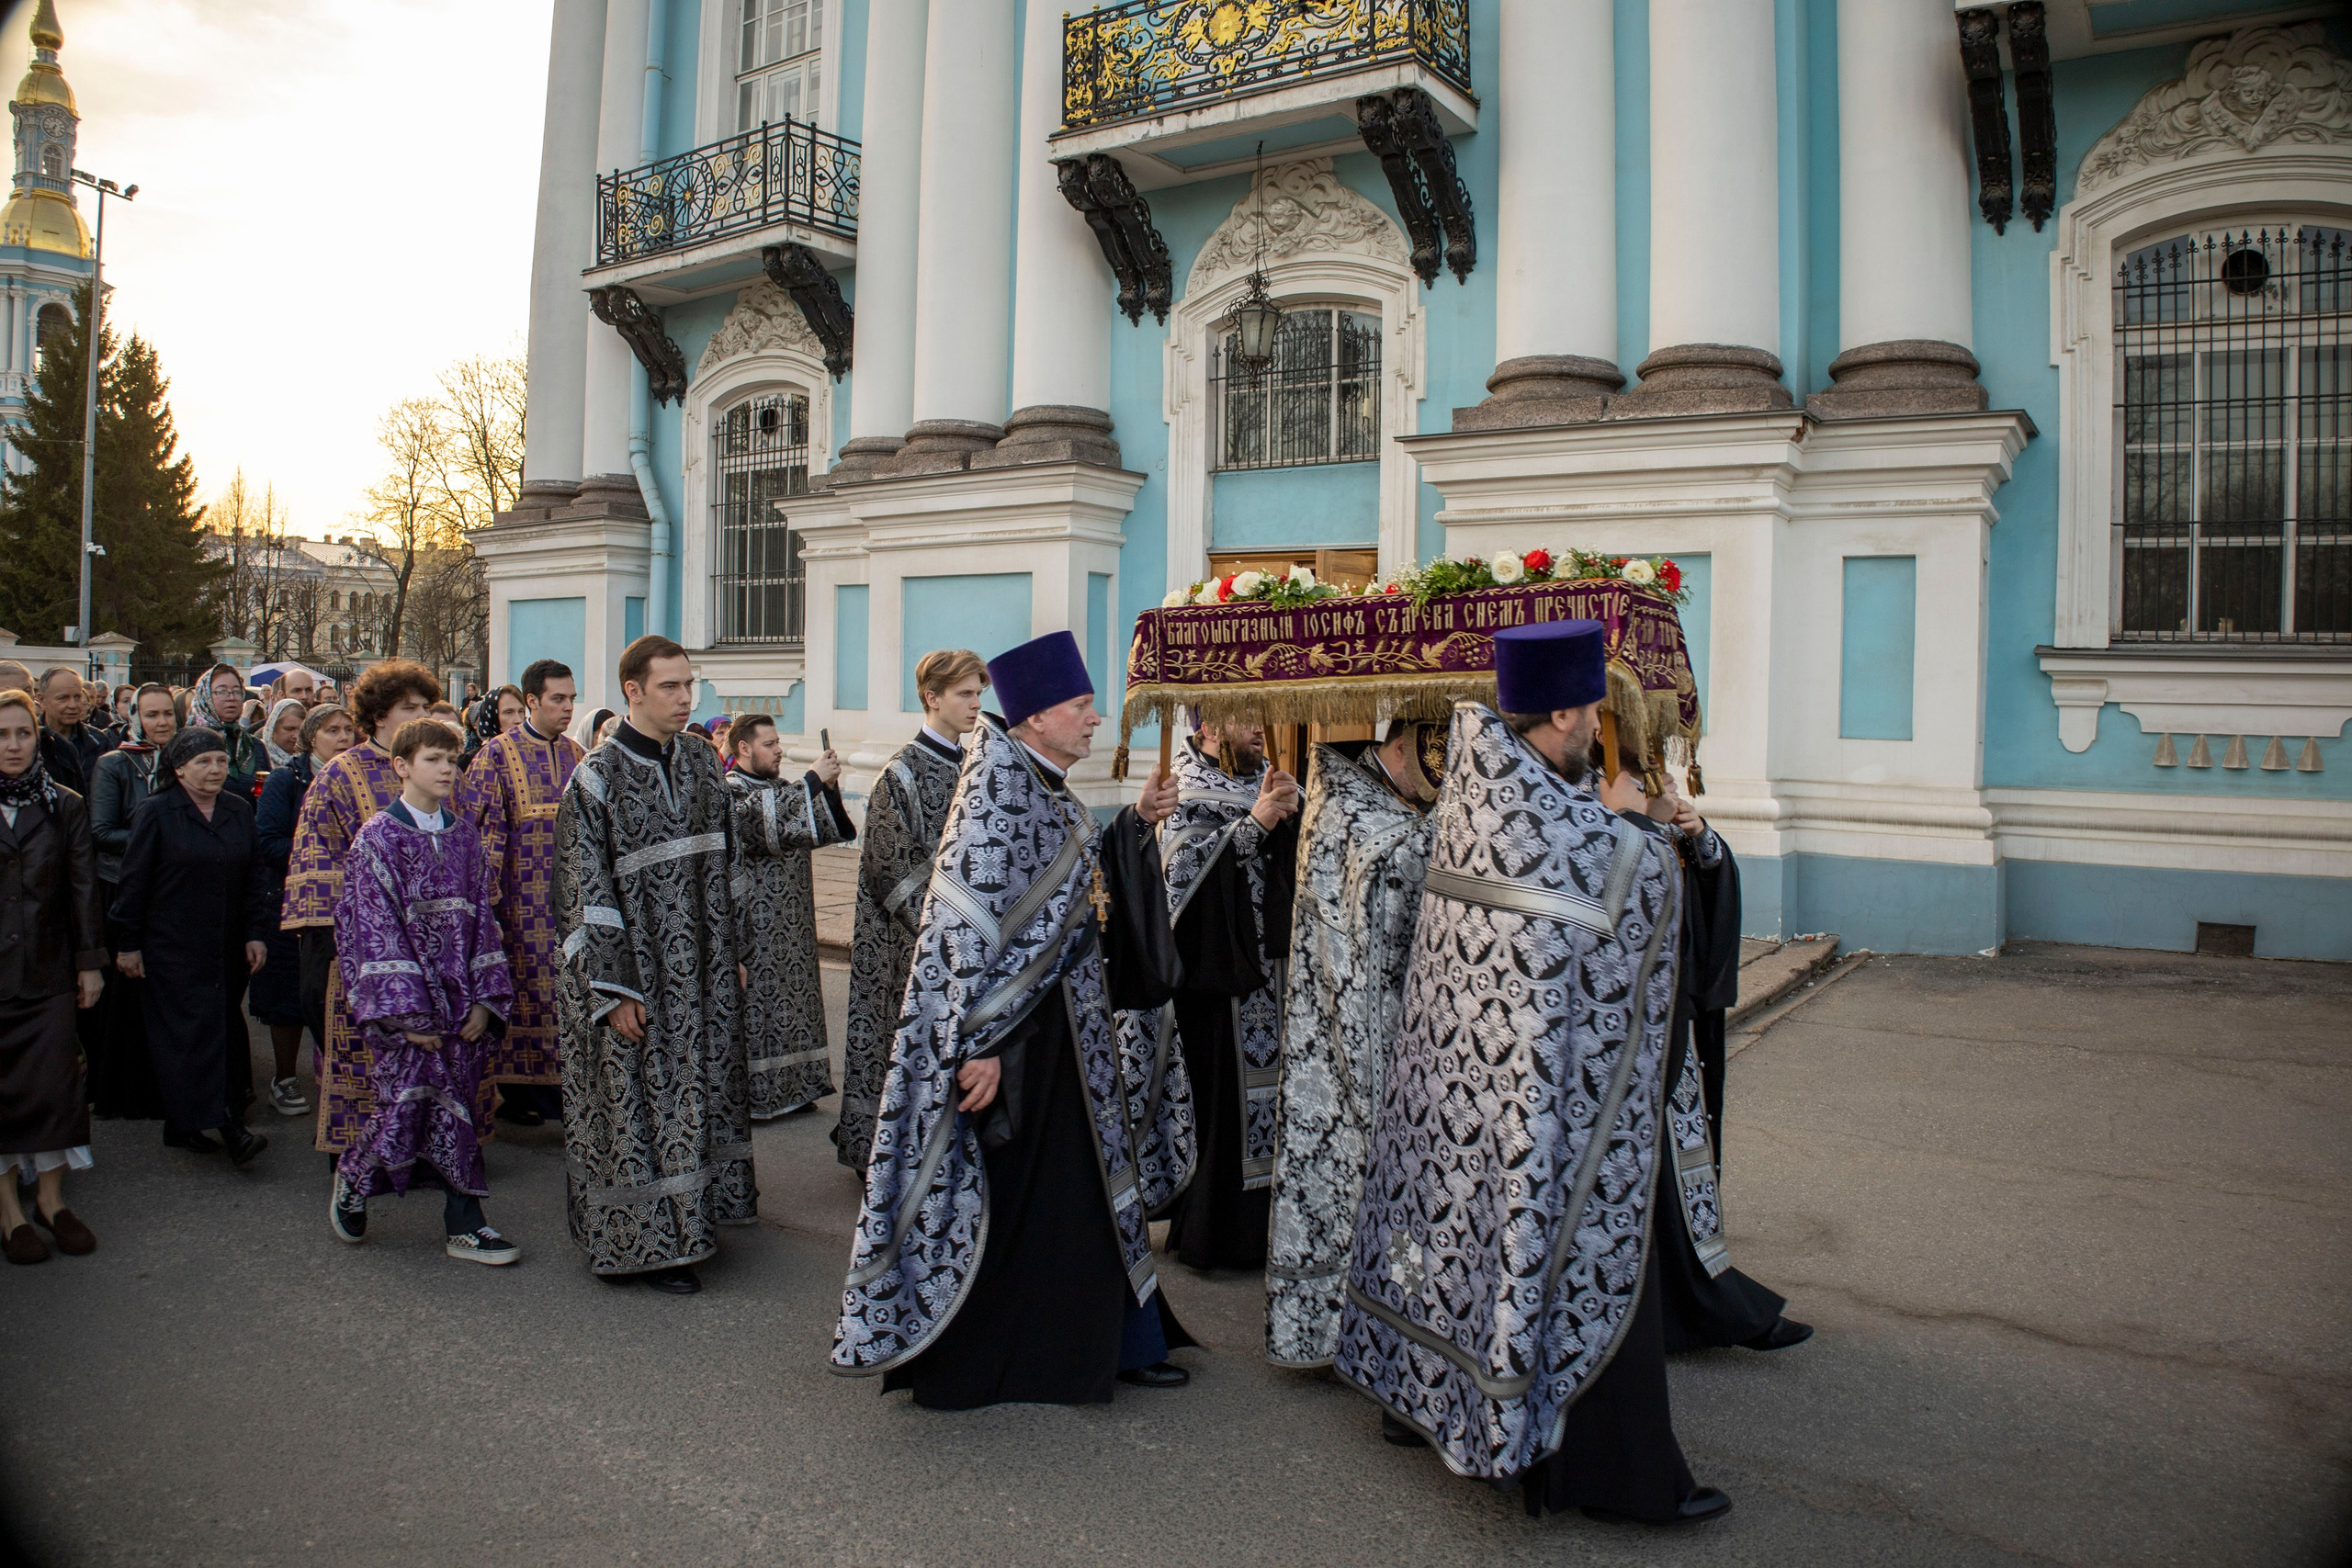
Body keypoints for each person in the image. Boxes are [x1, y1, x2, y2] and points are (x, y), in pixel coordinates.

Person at [1335, 621, 1729, 1528]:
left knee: (1462, 1247)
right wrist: (1643, 826)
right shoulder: (1558, 824)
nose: (1596, 724)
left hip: (1459, 1092)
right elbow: (1629, 876)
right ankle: (1614, 1478)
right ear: (1560, 711)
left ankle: (1430, 1402)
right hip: (1541, 1109)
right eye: (1590, 710)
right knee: (1574, 1253)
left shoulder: (1480, 796)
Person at [834, 630, 1198, 1406]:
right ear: (1035, 718)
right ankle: (1033, 1353)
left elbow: (1074, 887)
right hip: (1023, 1046)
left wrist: (1133, 825)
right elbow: (965, 940)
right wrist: (984, 1042)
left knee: (1084, 1193)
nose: (1095, 720)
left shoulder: (1046, 786)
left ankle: (1113, 1340)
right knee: (1040, 1203)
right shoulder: (995, 798)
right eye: (1081, 707)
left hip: (1073, 1037)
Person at [1593, 737, 1811, 1358]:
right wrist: (1641, 822)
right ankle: (1683, 1310)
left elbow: (1697, 899)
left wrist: (1698, 839)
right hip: (1619, 1040)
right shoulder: (1582, 801)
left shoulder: (1640, 803)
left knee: (1680, 1182)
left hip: (1668, 1025)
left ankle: (1705, 1303)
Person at [553, 637, 752, 1294]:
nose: (685, 698)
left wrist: (737, 952)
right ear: (632, 690)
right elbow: (584, 891)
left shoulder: (699, 757)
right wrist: (613, 989)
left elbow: (730, 860)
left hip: (702, 963)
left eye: (689, 684)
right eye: (670, 686)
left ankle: (695, 1221)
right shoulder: (596, 778)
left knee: (695, 1089)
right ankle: (645, 1244)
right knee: (638, 1101)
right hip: (637, 972)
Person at [1264, 720, 1446, 1368]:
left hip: (1412, 1021)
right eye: (1431, 771)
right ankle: (1343, 1326)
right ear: (1401, 748)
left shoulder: (1400, 799)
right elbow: (1376, 874)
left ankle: (1409, 1323)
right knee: (1360, 1174)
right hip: (1345, 1037)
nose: (1435, 792)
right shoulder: (1341, 798)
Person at [329, 718, 519, 1265]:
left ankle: (466, 1223)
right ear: (402, 765)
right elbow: (371, 927)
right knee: (405, 1109)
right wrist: (406, 1013)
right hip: (409, 1011)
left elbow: (484, 917)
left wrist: (486, 999)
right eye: (434, 759)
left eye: (453, 760)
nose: (446, 770)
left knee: (457, 1106)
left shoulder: (463, 836)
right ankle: (357, 1175)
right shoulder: (378, 838)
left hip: (461, 1007)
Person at [1147, 715, 1300, 1271]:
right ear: (1210, 723)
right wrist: (1253, 826)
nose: (1262, 728)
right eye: (1246, 718)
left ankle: (1266, 1231)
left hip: (1269, 973)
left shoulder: (1265, 776)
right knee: (1223, 1104)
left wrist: (1289, 811)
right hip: (1215, 977)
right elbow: (1177, 875)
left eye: (1264, 717)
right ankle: (1215, 1238)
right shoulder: (1182, 787)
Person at [282, 660, 440, 1161]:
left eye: (424, 708)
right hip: (362, 947)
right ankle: (358, 1160)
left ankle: (416, 1150)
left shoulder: (433, 770)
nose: (418, 716)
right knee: (359, 1052)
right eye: (407, 709)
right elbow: (317, 856)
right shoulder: (339, 775)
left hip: (427, 942)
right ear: (377, 716)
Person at [836, 649, 986, 1171]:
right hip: (907, 944)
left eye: (978, 693)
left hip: (961, 939)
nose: (975, 704)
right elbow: (889, 868)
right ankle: (885, 1157)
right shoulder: (900, 774)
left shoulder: (975, 765)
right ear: (932, 697)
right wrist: (948, 927)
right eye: (964, 693)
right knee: (898, 1045)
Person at [109, 727, 274, 1167]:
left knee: (216, 1029)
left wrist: (255, 932)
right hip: (172, 949)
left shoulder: (238, 810)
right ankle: (229, 1127)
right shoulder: (157, 812)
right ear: (179, 768)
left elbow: (255, 876)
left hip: (227, 946)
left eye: (220, 761)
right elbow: (134, 882)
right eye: (203, 762)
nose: (215, 769)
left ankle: (180, 1124)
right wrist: (128, 944)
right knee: (194, 1036)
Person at [0, 689, 106, 1264]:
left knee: (55, 1091)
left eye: (22, 734)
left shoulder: (61, 802)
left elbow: (83, 887)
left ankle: (51, 1201)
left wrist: (90, 964)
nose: (13, 746)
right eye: (1, 735)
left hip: (48, 968)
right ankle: (9, 1214)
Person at [457, 659, 582, 1128]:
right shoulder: (495, 755)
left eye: (572, 698)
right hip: (516, 908)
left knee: (568, 998)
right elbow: (481, 834)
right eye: (558, 699)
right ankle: (521, 1095)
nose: (568, 707)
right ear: (532, 701)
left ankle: (565, 1095)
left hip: (571, 904)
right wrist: (487, 911)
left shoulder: (578, 755)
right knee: (524, 997)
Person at [725, 713, 853, 1120]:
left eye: (779, 742)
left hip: (794, 921)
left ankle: (800, 1086)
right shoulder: (729, 790)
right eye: (769, 743)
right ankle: (762, 1095)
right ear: (744, 748)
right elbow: (759, 825)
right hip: (757, 923)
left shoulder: (783, 789)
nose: (779, 750)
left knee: (797, 1005)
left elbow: (831, 831)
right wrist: (813, 780)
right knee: (762, 1007)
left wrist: (829, 790)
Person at [253, 704, 356, 1117]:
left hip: (346, 906)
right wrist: (322, 862)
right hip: (292, 901)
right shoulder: (286, 780)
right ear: (312, 737)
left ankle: (335, 1076)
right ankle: (284, 1075)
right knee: (291, 993)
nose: (344, 737)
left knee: (334, 993)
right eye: (333, 730)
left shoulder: (358, 776)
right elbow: (268, 840)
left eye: (349, 729)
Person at [85, 684, 177, 1121]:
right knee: (127, 994)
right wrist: (158, 842)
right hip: (122, 887)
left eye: (168, 714)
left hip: (171, 893)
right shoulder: (114, 764)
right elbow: (101, 832)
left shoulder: (183, 758)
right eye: (152, 714)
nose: (161, 722)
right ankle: (125, 1091)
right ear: (135, 716)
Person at [193, 664, 268, 799]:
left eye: (237, 691)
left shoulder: (254, 745)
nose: (231, 698)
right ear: (205, 696)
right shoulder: (189, 743)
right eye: (221, 691)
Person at [36, 666, 110, 798]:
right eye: (63, 698)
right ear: (42, 700)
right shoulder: (28, 742)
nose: (73, 705)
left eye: (77, 697)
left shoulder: (99, 742)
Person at [259, 698, 305, 773]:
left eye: (301, 730)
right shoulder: (259, 753)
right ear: (273, 728)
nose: (296, 736)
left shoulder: (310, 759)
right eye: (289, 729)